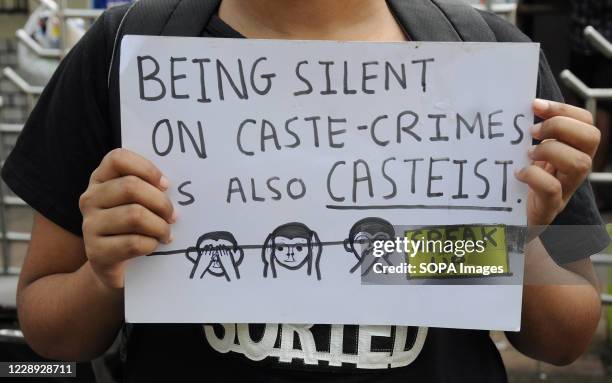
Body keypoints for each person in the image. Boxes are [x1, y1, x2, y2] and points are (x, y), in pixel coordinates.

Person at [2, 1, 609, 382]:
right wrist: (106, 272)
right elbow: (50, 330)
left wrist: (512, 236)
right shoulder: (122, 51)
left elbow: (566, 335)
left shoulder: (495, 62)